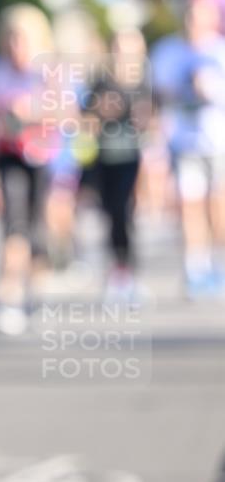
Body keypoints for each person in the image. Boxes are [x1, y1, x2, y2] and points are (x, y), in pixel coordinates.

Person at [0, 4, 58, 335]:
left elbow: (65, 112)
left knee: (36, 226)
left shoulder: (48, 70)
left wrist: (31, 112)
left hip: (41, 155)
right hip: (8, 154)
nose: (16, 46)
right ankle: (7, 295)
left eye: (22, 39)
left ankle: (37, 288)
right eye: (11, 38)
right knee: (14, 224)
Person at [152, 0, 225, 298]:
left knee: (218, 207)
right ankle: (196, 268)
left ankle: (218, 263)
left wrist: (210, 89)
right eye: (190, 14)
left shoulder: (220, 50)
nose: (193, 21)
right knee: (190, 205)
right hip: (184, 144)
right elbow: (157, 94)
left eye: (200, 14)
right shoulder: (167, 51)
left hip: (218, 142)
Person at [82, 28, 151, 299]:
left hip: (133, 158)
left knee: (125, 213)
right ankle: (117, 271)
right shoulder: (101, 81)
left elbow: (151, 120)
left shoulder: (144, 82)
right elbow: (87, 117)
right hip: (104, 157)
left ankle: (128, 271)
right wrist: (99, 113)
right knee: (110, 214)